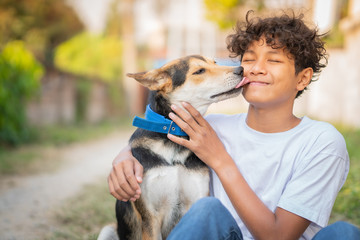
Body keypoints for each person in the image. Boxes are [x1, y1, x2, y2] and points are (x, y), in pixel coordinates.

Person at [107, 11, 360, 240]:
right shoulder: (206, 127)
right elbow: (155, 134)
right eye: (249, 59)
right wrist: (124, 157)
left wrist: (220, 159)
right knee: (207, 211)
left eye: (273, 61)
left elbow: (279, 236)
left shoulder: (321, 141)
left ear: (302, 78)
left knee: (345, 233)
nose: (256, 69)